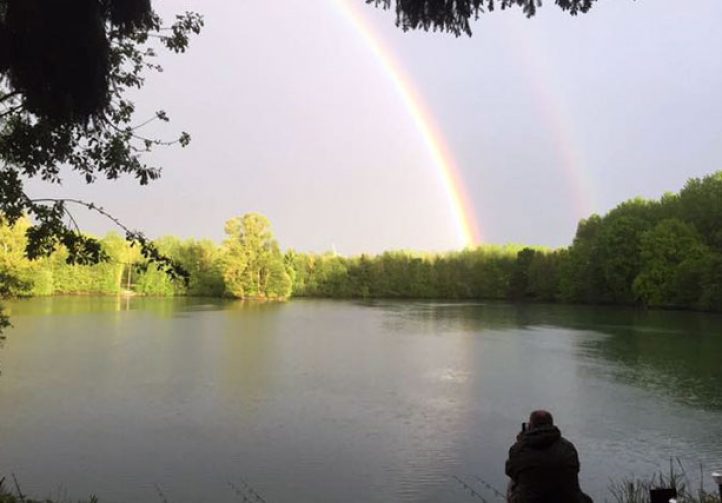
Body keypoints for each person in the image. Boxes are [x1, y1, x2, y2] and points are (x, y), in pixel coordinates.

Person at [505, 410, 592, 503]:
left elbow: (510, 471)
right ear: (551, 425)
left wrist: (521, 441)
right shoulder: (568, 447)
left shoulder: (519, 448)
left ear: (530, 426)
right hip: (569, 500)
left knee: (513, 482)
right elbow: (576, 469)